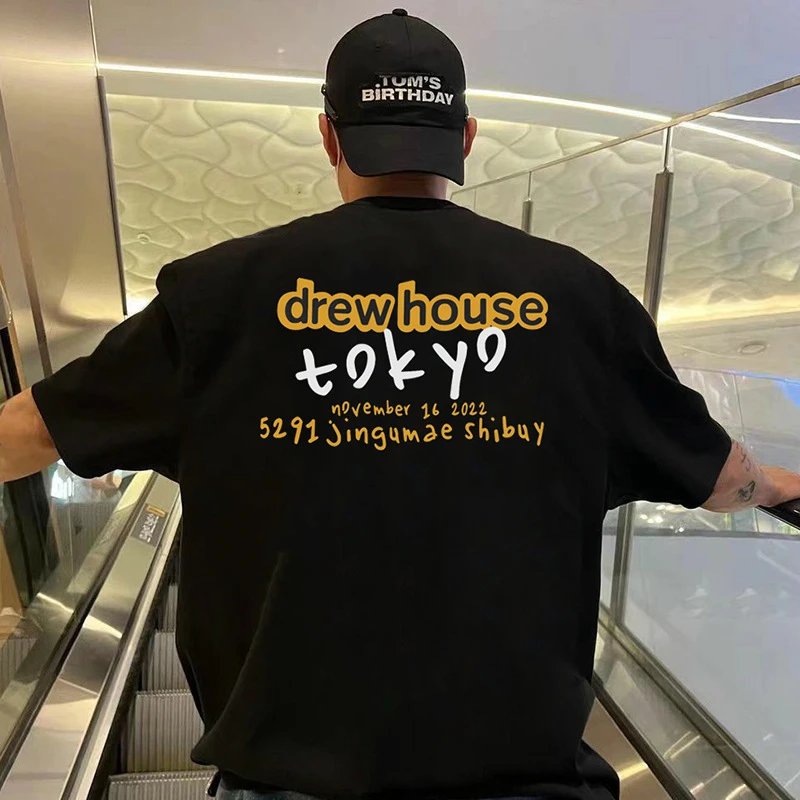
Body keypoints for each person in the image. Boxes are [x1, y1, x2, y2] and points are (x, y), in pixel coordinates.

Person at [0, 9, 797, 800]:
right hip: (526, 782)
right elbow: (721, 479)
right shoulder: (581, 298)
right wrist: (774, 486)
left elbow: (33, 430)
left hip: (289, 781)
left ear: (328, 136)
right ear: (467, 138)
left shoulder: (215, 296)